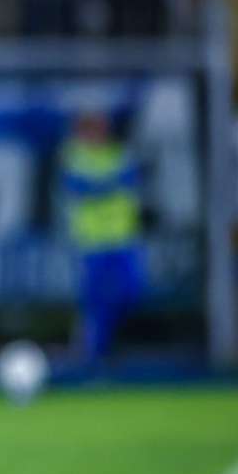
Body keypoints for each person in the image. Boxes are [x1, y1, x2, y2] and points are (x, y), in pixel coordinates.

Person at [60, 111, 145, 370]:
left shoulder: (118, 154)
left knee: (131, 292)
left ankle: (106, 344)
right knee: (96, 301)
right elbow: (79, 187)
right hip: (92, 243)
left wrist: (102, 185)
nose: (97, 135)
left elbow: (132, 178)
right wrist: (111, 183)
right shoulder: (75, 156)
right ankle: (93, 355)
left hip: (124, 239)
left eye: (100, 129)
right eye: (92, 130)